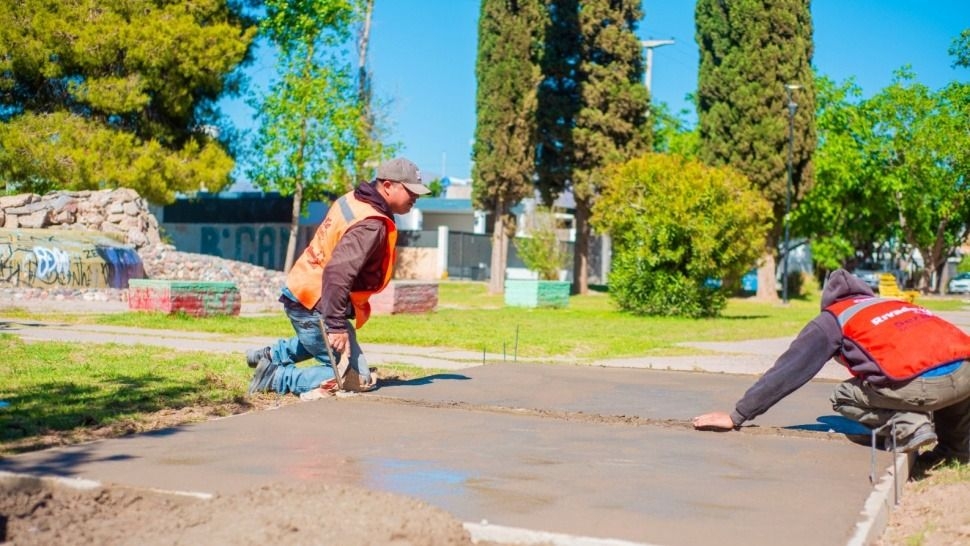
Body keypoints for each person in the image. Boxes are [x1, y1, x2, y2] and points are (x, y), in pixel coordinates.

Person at [692, 269, 970, 467]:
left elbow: (790, 368)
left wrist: (738, 414)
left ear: (828, 302)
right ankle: (956, 449)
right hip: (965, 373)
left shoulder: (834, 317)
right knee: (947, 367)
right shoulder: (893, 304)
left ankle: (910, 425)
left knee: (844, 395)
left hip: (922, 386)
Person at [245, 157, 431, 397]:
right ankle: (275, 376)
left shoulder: (355, 199)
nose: (416, 197)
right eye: (410, 191)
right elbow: (337, 273)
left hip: (303, 289)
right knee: (356, 377)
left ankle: (270, 355)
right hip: (316, 302)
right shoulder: (370, 223)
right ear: (387, 186)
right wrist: (335, 326)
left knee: (317, 340)